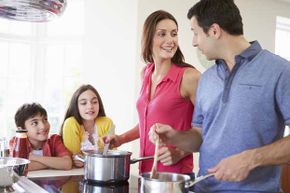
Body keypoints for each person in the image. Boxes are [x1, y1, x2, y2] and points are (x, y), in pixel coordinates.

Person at [149, 0, 290, 192]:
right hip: (204, 188)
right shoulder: (207, 79)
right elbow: (199, 136)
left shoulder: (280, 71)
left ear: (214, 31)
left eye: (196, 32)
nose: (194, 42)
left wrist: (251, 159)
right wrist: (174, 136)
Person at [104, 10, 200, 175]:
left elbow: (210, 128)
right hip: (147, 173)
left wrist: (180, 152)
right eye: (162, 34)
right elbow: (147, 123)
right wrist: (121, 139)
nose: (170, 40)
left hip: (175, 176)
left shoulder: (189, 77)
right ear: (149, 39)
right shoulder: (146, 73)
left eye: (174, 34)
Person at [60, 84, 114, 168]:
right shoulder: (71, 123)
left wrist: (85, 160)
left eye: (94, 102)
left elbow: (111, 154)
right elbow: (74, 158)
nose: (90, 106)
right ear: (76, 107)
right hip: (75, 174)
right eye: (83, 103)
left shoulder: (107, 122)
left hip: (103, 173)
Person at [11, 103, 72, 171]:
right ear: (21, 129)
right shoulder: (17, 142)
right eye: (35, 123)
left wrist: (34, 158)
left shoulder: (54, 140)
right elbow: (20, 167)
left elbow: (67, 164)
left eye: (45, 120)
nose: (43, 126)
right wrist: (54, 163)